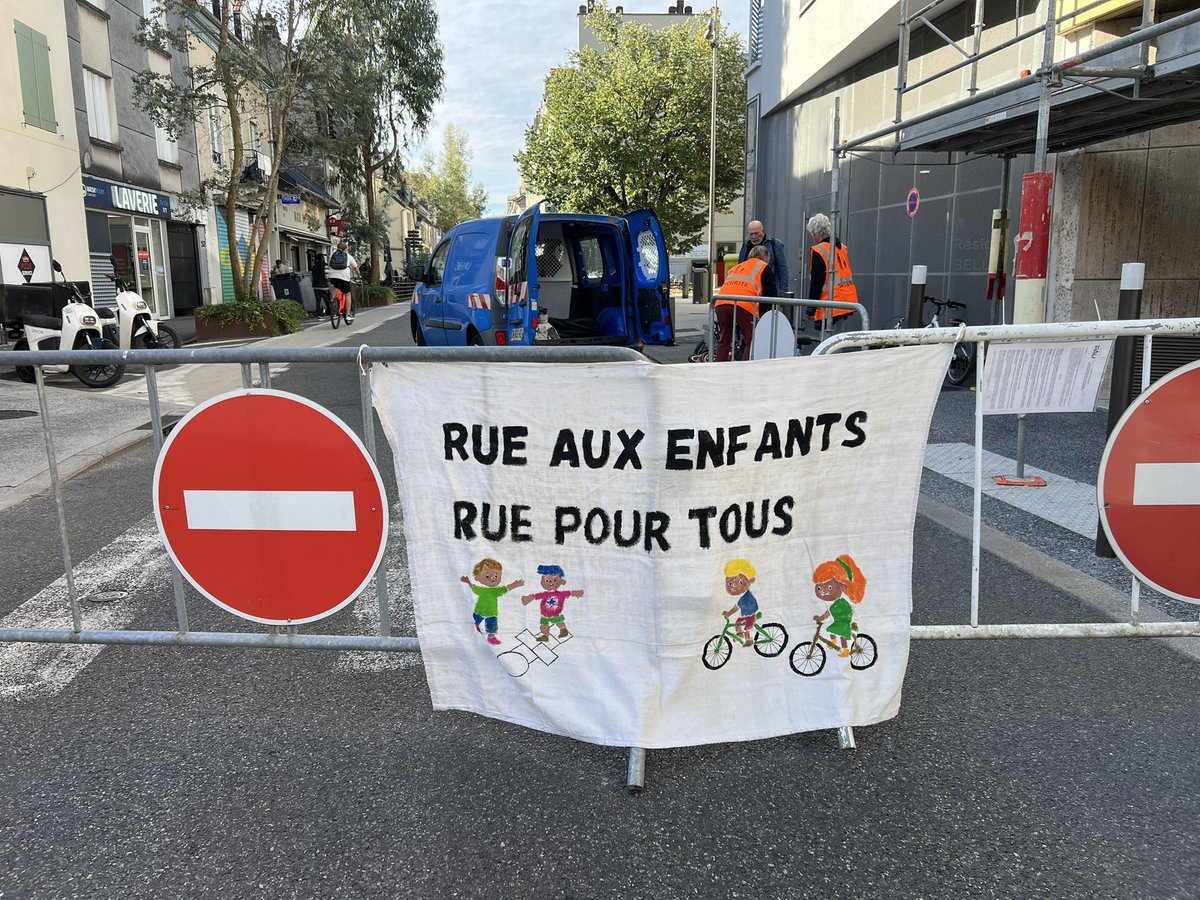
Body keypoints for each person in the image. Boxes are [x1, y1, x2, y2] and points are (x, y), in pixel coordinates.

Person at [715, 245, 775, 361]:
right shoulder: (763, 266)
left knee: (724, 339)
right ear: (766, 257)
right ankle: (745, 368)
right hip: (744, 304)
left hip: (721, 302)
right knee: (751, 340)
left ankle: (719, 367)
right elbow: (771, 293)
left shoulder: (737, 267)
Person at [805, 213, 857, 328]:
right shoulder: (842, 247)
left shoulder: (819, 250)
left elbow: (816, 283)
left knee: (828, 336)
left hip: (831, 302)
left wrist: (811, 309)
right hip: (847, 299)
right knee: (838, 335)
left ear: (814, 233)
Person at [811, 554, 867, 658]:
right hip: (838, 622)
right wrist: (820, 618)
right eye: (819, 588)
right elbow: (828, 613)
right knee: (830, 629)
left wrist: (845, 619)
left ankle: (845, 650)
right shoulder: (833, 605)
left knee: (841, 634)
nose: (824, 592)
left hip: (844, 623)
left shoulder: (841, 603)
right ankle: (833, 643)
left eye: (830, 587)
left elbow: (847, 611)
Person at [461, 558, 524, 647]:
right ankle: (475, 627)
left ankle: (491, 637)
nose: (493, 578)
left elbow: (506, 588)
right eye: (487, 576)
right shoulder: (482, 590)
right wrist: (468, 581)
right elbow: (474, 588)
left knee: (492, 626)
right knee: (476, 620)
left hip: (492, 613)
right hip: (480, 610)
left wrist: (515, 585)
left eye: (496, 575)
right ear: (477, 578)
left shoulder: (496, 591)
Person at [521, 564, 584, 642]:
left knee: (559, 622)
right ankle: (545, 636)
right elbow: (535, 596)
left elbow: (569, 593)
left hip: (555, 613)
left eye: (555, 580)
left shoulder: (560, 594)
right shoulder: (545, 594)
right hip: (545, 614)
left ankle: (563, 630)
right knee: (544, 625)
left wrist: (577, 593)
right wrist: (527, 599)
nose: (551, 583)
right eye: (547, 581)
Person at [738, 220, 789, 315]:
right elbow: (740, 266)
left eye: (756, 233)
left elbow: (782, 269)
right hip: (750, 293)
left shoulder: (775, 244)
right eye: (751, 234)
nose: (754, 237)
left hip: (768, 293)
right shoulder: (746, 245)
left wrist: (782, 293)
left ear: (763, 231)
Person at [721, 559, 760, 649]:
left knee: (747, 628)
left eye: (740, 582)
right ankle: (739, 634)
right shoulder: (742, 597)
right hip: (744, 615)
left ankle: (748, 640)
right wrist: (728, 613)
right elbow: (736, 607)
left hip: (750, 615)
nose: (734, 585)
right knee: (738, 623)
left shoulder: (747, 596)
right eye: (730, 583)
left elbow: (741, 606)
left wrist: (730, 613)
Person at [327, 241, 361, 322]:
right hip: (344, 278)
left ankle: (333, 302)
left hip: (333, 277)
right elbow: (355, 268)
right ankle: (348, 315)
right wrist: (358, 276)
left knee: (335, 287)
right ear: (345, 249)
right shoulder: (348, 256)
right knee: (347, 294)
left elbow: (329, 265)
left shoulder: (332, 255)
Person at [310, 252, 330, 318]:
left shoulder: (314, 266)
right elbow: (327, 276)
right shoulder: (325, 266)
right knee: (327, 299)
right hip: (324, 286)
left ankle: (319, 313)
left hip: (315, 286)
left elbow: (312, 277)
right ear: (322, 258)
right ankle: (329, 311)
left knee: (318, 300)